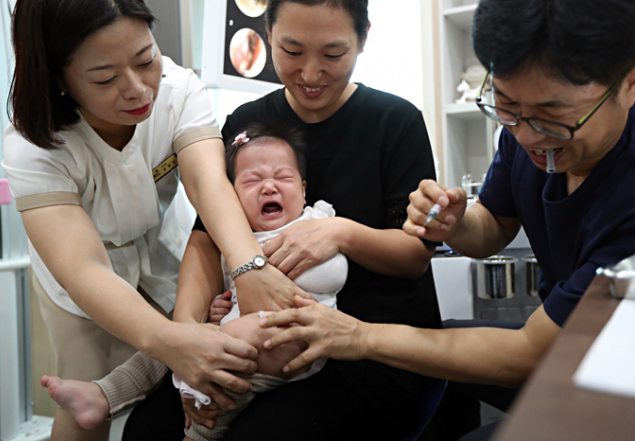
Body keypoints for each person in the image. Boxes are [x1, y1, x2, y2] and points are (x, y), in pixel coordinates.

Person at [259, 0, 635, 439]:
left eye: (554, 118)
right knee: (439, 359)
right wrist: (455, 226)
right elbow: (494, 223)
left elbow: (532, 351)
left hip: (616, 371)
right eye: (507, 106)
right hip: (566, 347)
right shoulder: (527, 126)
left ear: (628, 83)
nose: (529, 136)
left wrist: (361, 337)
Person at [121, 1, 442, 440]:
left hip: (373, 351)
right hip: (257, 347)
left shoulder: (395, 122)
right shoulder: (247, 124)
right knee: (148, 429)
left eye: (332, 54)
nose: (311, 73)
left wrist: (340, 233)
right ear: (267, 34)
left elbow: (414, 258)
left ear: (363, 38)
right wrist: (188, 342)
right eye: (292, 51)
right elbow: (206, 238)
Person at [3, 1, 314, 440]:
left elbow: (208, 182)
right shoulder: (32, 143)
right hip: (79, 272)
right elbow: (82, 268)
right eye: (105, 78)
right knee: (88, 391)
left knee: (173, 369)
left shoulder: (178, 89)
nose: (137, 89)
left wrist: (248, 265)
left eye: (145, 59)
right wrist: (171, 342)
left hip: (157, 250)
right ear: (59, 79)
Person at [40, 123, 349, 441]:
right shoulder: (235, 240)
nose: (269, 187)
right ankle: (104, 395)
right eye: (252, 181)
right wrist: (219, 310)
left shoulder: (315, 222)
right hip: (244, 353)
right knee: (175, 338)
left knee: (210, 367)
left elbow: (331, 274)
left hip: (297, 345)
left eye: (282, 178)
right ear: (231, 197)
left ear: (304, 188)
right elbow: (233, 298)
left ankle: (197, 424)